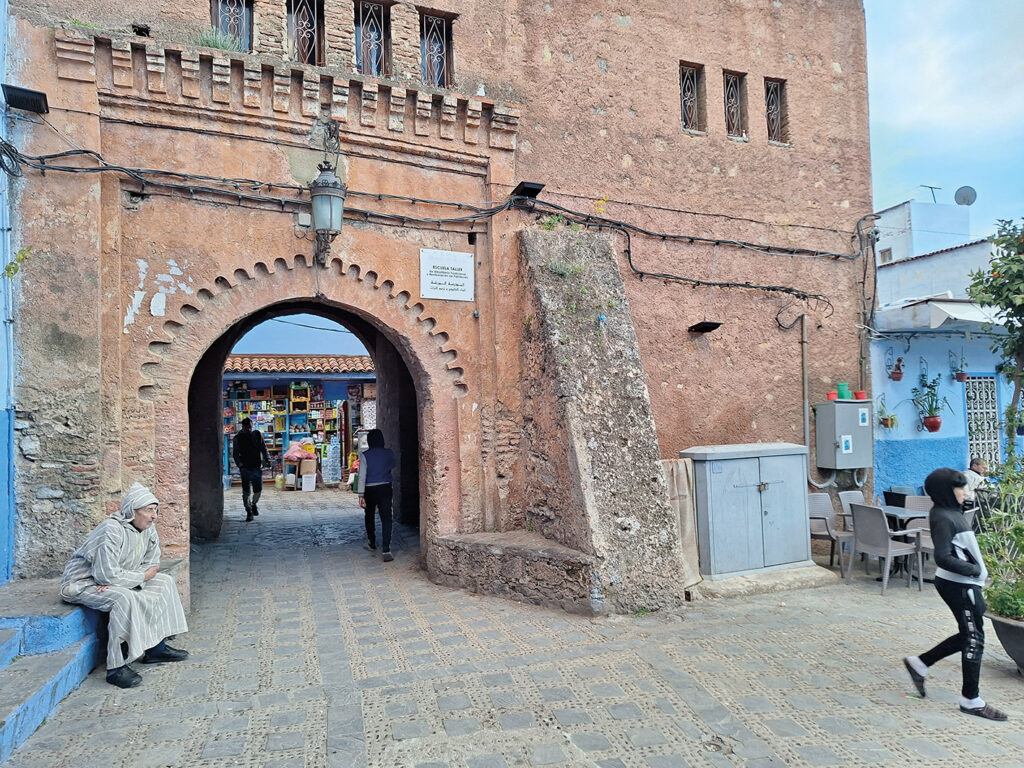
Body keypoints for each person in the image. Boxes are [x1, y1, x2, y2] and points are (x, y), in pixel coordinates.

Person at [59, 483, 189, 689]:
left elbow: (153, 563)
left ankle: (156, 648)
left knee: (164, 582)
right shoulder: (111, 530)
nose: (154, 515)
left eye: (155, 510)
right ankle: (116, 668)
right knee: (123, 598)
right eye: (148, 510)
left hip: (119, 580)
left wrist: (135, 578)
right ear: (132, 511)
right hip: (84, 583)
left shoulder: (148, 528)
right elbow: (105, 574)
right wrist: (135, 578)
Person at [903, 468, 1008, 721]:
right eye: (959, 487)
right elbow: (942, 556)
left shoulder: (951, 512)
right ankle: (971, 700)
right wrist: (973, 570)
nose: (964, 491)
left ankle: (920, 663)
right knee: (975, 639)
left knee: (969, 634)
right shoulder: (943, 516)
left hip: (964, 584)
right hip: (960, 585)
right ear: (945, 491)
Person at [357, 428, 396, 562]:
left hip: (369, 489)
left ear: (369, 441)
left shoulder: (365, 455)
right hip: (385, 486)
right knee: (386, 517)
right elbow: (392, 466)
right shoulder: (389, 453)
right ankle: (386, 549)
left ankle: (372, 542)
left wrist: (360, 494)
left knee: (369, 515)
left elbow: (362, 476)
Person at [233, 417, 270, 522]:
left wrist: (267, 458)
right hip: (245, 467)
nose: (249, 429)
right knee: (246, 491)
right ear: (243, 426)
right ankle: (248, 511)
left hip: (256, 466)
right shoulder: (238, 438)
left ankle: (254, 504)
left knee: (258, 490)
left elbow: (263, 447)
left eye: (250, 427)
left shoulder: (257, 435)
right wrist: (240, 466)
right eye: (247, 427)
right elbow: (235, 454)